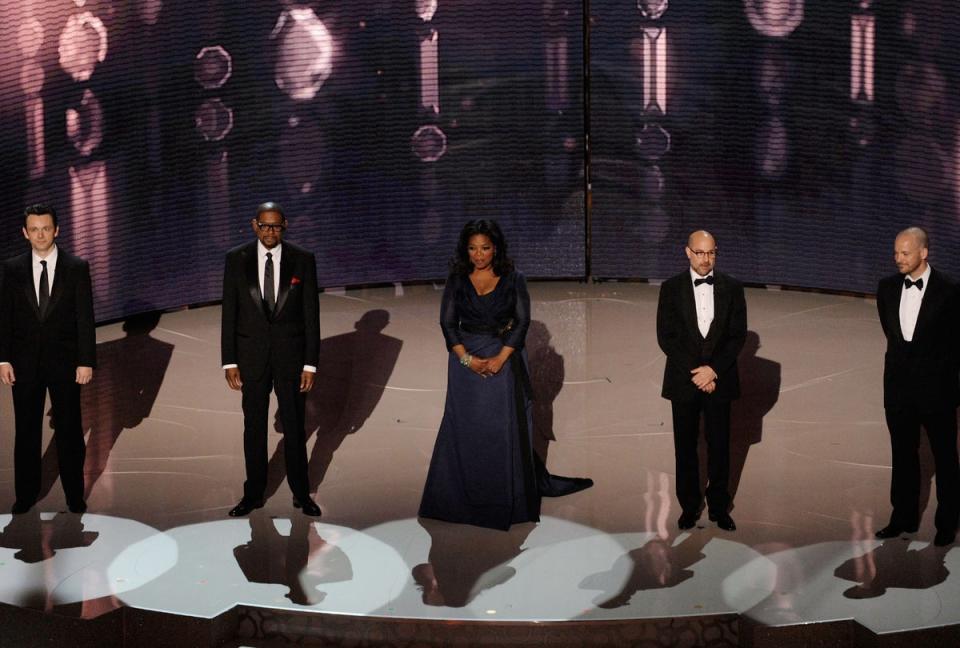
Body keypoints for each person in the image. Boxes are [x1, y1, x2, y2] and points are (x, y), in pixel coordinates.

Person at [419, 219, 592, 531]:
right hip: (465, 364)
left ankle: (504, 498)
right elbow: (447, 324)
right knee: (465, 427)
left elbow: (522, 322)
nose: (479, 254)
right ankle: (458, 498)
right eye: (473, 249)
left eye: (485, 248)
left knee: (501, 430)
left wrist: (500, 358)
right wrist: (467, 360)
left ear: (495, 248)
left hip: (504, 357)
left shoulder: (514, 278)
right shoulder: (457, 279)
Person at [221, 202, 321, 517]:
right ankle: (253, 495)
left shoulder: (302, 260)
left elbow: (310, 316)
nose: (269, 232)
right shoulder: (236, 259)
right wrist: (229, 361)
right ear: (254, 225)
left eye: (275, 226)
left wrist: (310, 363)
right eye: (264, 226)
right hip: (251, 359)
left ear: (285, 226)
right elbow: (230, 314)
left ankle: (302, 494)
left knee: (294, 427)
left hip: (291, 360)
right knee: (253, 428)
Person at [0, 204, 96, 515]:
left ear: (57, 230)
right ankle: (25, 495)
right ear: (25, 233)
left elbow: (85, 317)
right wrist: (3, 360)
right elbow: (5, 318)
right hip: (24, 365)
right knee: (26, 431)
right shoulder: (11, 269)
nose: (41, 235)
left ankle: (74, 496)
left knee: (69, 431)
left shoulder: (77, 267)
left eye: (46, 228)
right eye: (34, 229)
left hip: (65, 364)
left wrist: (86, 361)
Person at [656, 230, 746, 531]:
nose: (705, 259)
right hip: (685, 380)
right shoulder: (670, 288)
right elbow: (666, 337)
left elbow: (737, 337)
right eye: (699, 253)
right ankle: (689, 506)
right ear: (687, 252)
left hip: (718, 379)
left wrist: (713, 371)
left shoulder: (733, 288)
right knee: (685, 446)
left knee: (720, 446)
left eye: (711, 253)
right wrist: (698, 371)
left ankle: (719, 507)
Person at [875, 227, 959, 547]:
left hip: (937, 392)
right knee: (903, 455)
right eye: (895, 252)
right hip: (898, 391)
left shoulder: (950, 291)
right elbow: (894, 338)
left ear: (923, 253)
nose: (898, 259)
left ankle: (947, 523)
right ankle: (902, 518)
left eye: (905, 253)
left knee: (945, 458)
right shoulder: (886, 288)